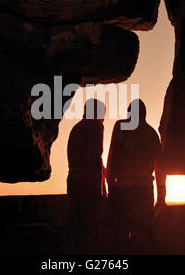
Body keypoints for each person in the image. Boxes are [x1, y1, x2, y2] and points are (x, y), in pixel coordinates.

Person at [106, 99, 164, 253]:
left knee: (121, 235)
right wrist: (162, 196)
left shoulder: (120, 127)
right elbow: (160, 168)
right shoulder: (151, 133)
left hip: (122, 189)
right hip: (144, 190)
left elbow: (111, 159)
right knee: (141, 235)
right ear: (144, 114)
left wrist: (110, 187)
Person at [66, 99, 106, 254]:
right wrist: (101, 184)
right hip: (87, 179)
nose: (103, 118)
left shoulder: (75, 128)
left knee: (75, 223)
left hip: (73, 176)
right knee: (91, 224)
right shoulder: (96, 125)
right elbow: (95, 154)